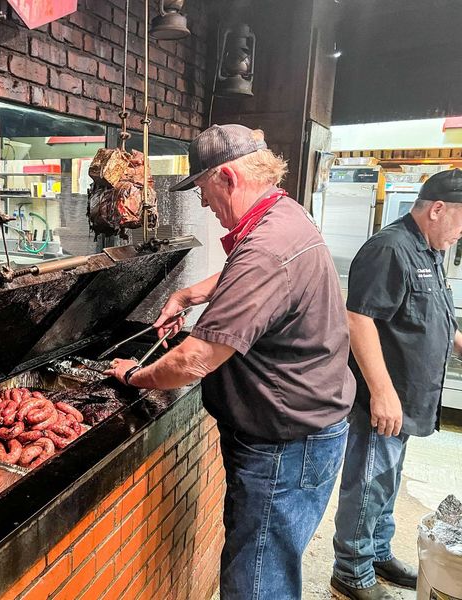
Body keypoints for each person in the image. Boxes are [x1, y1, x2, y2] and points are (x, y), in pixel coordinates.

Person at [104, 123, 355, 600]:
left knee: (256, 579)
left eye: (202, 189)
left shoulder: (265, 246)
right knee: (270, 565)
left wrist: (134, 375)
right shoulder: (283, 215)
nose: (202, 203)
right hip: (304, 432)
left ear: (226, 177)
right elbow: (252, 274)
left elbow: (195, 360)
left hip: (284, 445)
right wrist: (189, 293)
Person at [331, 168, 462, 600]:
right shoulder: (390, 248)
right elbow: (359, 319)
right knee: (368, 480)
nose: (461, 235)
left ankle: (378, 552)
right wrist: (383, 394)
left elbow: (435, 311)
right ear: (438, 209)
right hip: (385, 398)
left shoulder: (427, 249)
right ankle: (351, 569)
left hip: (410, 397)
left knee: (387, 479)